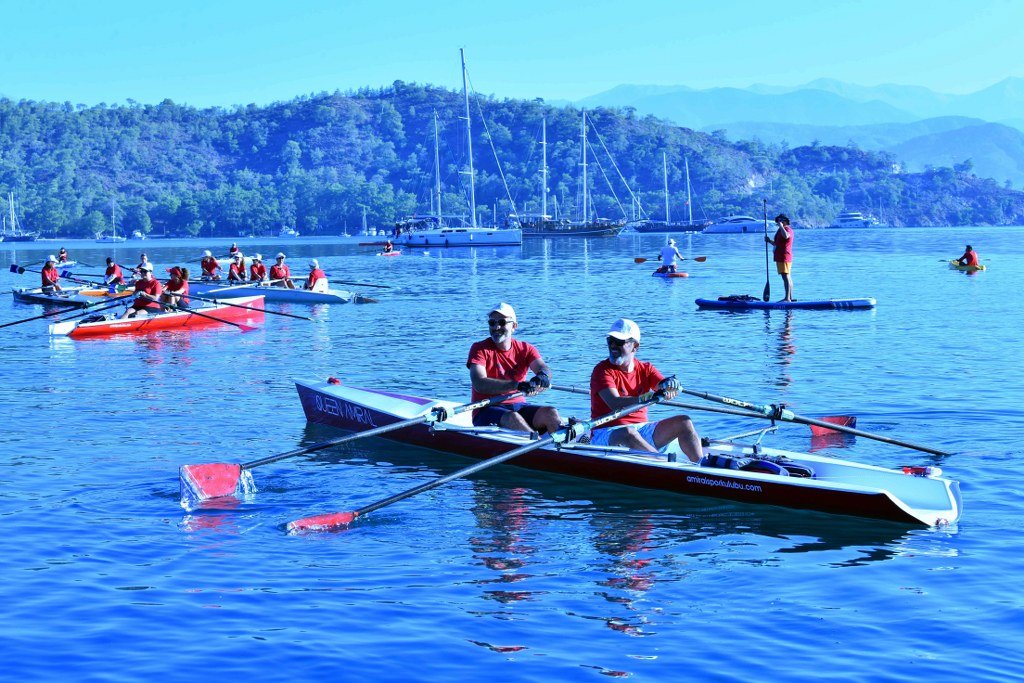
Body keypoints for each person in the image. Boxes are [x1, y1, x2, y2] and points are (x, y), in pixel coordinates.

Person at [588, 318, 703, 463]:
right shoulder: (602, 371)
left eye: (619, 342)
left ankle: (701, 465)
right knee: (628, 432)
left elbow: (661, 384)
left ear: (635, 346)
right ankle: (664, 466)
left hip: (641, 429)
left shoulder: (646, 369)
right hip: (606, 433)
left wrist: (670, 384)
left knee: (684, 422)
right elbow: (615, 403)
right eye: (610, 340)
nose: (613, 346)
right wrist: (647, 397)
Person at [466, 302, 561, 434]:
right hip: (486, 409)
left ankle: (563, 447)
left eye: (502, 322)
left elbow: (543, 368)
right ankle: (539, 447)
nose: (496, 327)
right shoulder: (479, 349)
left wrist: (543, 376)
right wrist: (517, 385)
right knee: (513, 417)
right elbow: (479, 383)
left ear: (514, 326)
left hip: (519, 406)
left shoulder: (526, 349)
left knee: (551, 413)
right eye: (492, 323)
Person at [765, 213, 795, 302]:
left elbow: (786, 236)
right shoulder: (780, 230)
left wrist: (781, 226)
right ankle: (790, 297)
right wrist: (769, 241)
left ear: (784, 221)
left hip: (784, 256)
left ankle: (787, 298)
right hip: (780, 256)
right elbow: (777, 243)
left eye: (780, 221)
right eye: (778, 221)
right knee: (786, 276)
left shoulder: (787, 229)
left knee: (786, 276)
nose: (778, 223)